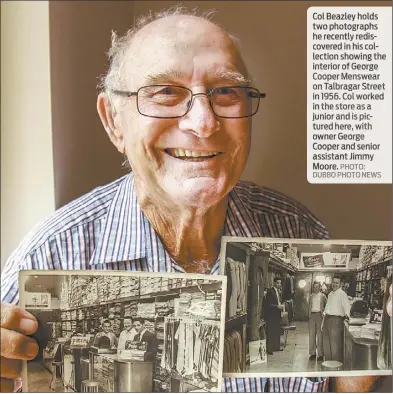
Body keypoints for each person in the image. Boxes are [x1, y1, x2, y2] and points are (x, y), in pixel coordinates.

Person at [0, 5, 383, 393]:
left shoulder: (298, 228)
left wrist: (357, 376)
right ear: (114, 120)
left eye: (227, 91)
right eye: (165, 92)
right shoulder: (50, 254)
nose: (203, 122)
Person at [321, 275, 350, 362]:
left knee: (335, 345)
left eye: (337, 283)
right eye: (333, 282)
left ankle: (336, 365)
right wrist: (323, 321)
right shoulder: (330, 294)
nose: (334, 284)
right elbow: (327, 308)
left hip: (336, 321)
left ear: (340, 284)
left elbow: (347, 308)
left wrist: (347, 318)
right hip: (327, 319)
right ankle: (328, 363)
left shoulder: (342, 294)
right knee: (326, 344)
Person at [264, 277, 284, 355]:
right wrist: (277, 306)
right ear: (274, 283)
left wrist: (281, 306)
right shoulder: (270, 291)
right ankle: (270, 349)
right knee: (271, 332)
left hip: (277, 314)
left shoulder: (279, 292)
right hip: (271, 315)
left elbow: (278, 301)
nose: (279, 284)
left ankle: (276, 347)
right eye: (277, 283)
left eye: (280, 283)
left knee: (276, 331)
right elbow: (267, 304)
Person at [308, 282, 327, 361]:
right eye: (314, 287)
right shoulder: (311, 296)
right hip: (312, 316)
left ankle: (321, 354)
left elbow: (326, 306)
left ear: (320, 288)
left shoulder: (323, 296)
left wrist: (324, 314)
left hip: (320, 316)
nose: (316, 288)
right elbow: (309, 305)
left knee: (320, 335)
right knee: (312, 335)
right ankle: (312, 353)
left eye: (317, 287)